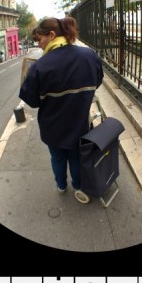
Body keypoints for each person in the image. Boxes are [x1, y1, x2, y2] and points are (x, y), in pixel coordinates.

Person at [19, 16, 104, 198]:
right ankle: (78, 186)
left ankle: (61, 186)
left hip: (52, 126)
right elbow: (96, 82)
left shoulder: (39, 67)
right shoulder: (89, 55)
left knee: (58, 158)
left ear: (51, 35)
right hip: (80, 123)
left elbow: (32, 101)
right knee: (76, 156)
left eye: (39, 39)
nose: (39, 45)